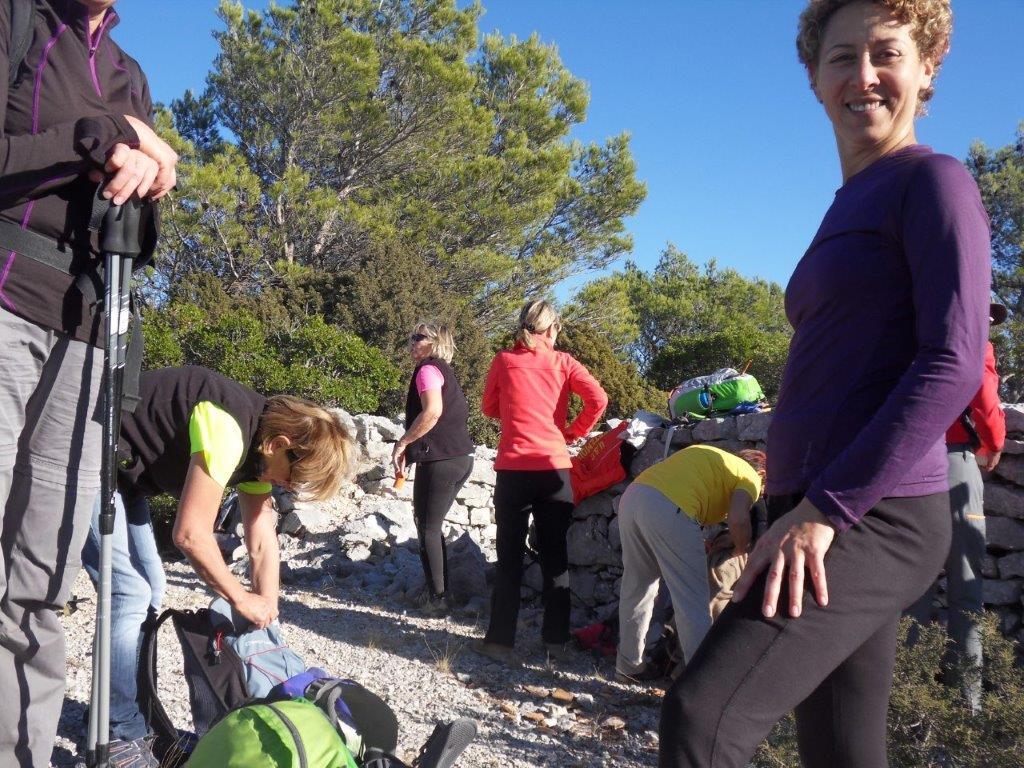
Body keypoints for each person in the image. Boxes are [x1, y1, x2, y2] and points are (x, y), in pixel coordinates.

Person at [659, 2, 991, 766]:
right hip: (818, 505)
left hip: (875, 512)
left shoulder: (934, 183)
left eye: (887, 53)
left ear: (928, 65)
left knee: (702, 717)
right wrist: (777, 497)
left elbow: (953, 360)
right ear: (813, 78)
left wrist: (823, 510)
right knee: (841, 751)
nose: (864, 76)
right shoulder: (849, 203)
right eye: (842, 57)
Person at [0, 1, 177, 763]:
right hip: (5, 303)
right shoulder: (19, 22)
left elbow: (137, 241)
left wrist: (150, 181)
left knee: (42, 579)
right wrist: (96, 139)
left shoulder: (128, 73)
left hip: (86, 332)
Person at [81, 365, 354, 766]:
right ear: (279, 444)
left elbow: (261, 539)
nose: (288, 488)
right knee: (130, 592)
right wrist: (241, 599)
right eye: (293, 478)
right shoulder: (228, 428)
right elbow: (190, 534)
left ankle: (123, 715)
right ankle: (119, 733)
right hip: (88, 450)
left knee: (151, 585)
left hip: (127, 475)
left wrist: (267, 602)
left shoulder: (260, 450)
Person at [473, 300, 608, 665]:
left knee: (509, 560)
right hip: (555, 470)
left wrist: (516, 412)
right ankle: (556, 644)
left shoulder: (503, 360)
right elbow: (599, 399)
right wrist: (571, 432)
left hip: (514, 470)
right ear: (553, 329)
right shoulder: (564, 363)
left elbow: (488, 408)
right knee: (555, 559)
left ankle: (500, 643)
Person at [907, 303, 1007, 712]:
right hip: (953, 461)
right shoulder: (974, 345)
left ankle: (907, 699)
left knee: (913, 590)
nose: (988, 322)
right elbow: (984, 403)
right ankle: (967, 705)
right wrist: (994, 445)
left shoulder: (914, 340)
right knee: (966, 589)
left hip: (907, 466)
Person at [616, 446, 765, 682]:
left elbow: (684, 493)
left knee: (637, 589)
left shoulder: (711, 457)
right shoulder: (750, 477)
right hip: (669, 507)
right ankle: (701, 681)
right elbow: (738, 518)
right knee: (692, 601)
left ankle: (628, 667)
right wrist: (740, 549)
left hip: (633, 496)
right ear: (762, 473)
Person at [391, 322, 475, 615]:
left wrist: (403, 443)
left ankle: (437, 599)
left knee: (426, 526)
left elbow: (433, 412)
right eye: (411, 336)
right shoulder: (444, 371)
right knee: (432, 524)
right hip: (461, 458)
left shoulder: (427, 370)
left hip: (440, 460)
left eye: (418, 337)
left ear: (435, 342)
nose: (412, 342)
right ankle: (441, 593)